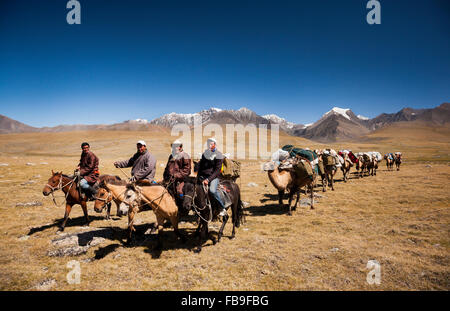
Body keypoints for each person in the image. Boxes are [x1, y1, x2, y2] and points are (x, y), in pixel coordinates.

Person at [197, 137, 227, 216]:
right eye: (208, 144)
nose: (209, 145)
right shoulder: (205, 154)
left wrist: (208, 179)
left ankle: (221, 207)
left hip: (213, 177)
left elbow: (217, 171)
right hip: (202, 176)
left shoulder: (219, 155)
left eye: (211, 144)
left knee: (212, 191)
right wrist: (197, 176)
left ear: (215, 145)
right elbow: (201, 167)